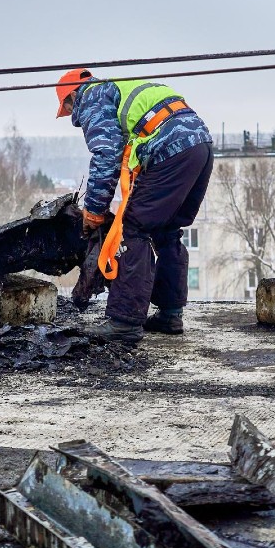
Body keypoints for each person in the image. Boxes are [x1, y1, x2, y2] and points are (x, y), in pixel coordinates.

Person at [56, 68, 213, 344]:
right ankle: (170, 314)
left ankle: (124, 322)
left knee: (133, 228)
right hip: (200, 146)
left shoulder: (92, 97)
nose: (73, 116)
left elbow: (106, 155)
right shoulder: (118, 87)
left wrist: (94, 211)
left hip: (170, 149)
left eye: (68, 110)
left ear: (71, 97)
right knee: (167, 228)